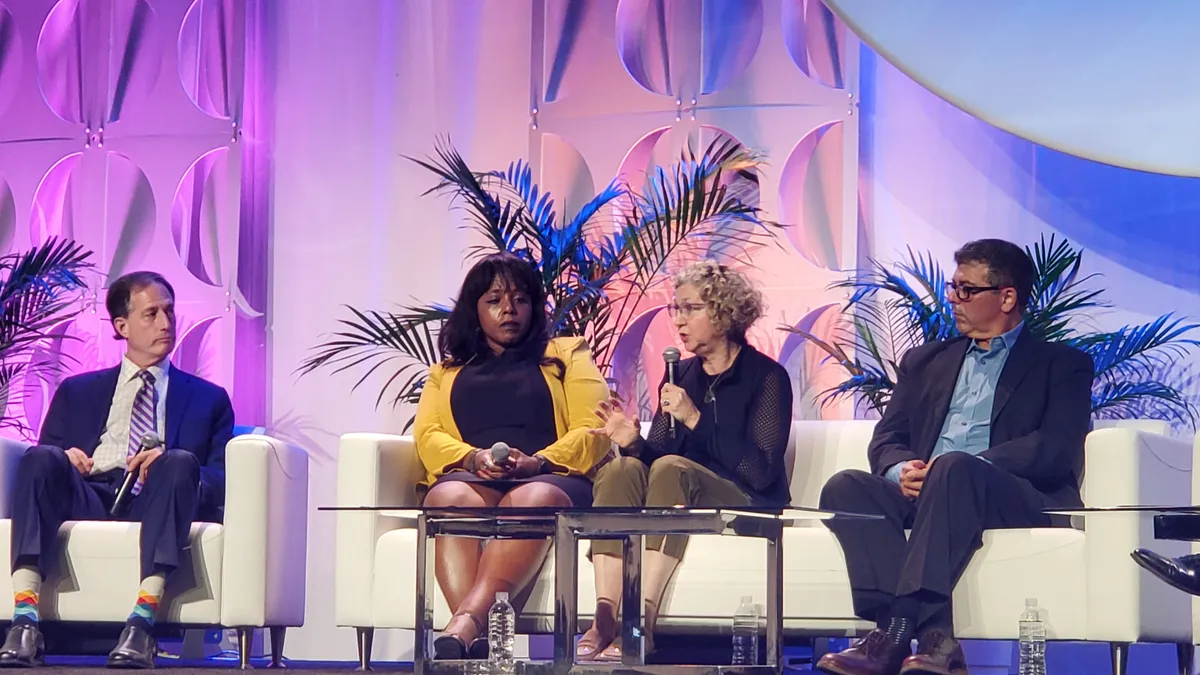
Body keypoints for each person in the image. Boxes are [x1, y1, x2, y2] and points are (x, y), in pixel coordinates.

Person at [814, 239, 1094, 675]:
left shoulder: (1062, 364)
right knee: (845, 486)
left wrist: (972, 467)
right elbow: (887, 437)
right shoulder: (926, 361)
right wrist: (900, 469)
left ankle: (892, 636)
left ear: (1006, 297)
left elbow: (1055, 447)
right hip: (931, 493)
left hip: (1011, 496)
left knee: (955, 466)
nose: (952, 299)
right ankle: (933, 640)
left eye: (966, 290)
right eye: (952, 286)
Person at [0, 272, 233, 669]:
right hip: (89, 493)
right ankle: (24, 621)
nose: (166, 323)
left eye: (169, 312)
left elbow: (221, 480)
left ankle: (141, 626)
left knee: (176, 460)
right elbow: (46, 456)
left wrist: (172, 461)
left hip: (158, 498)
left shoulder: (208, 399)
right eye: (151, 314)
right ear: (121, 326)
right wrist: (65, 455)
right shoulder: (78, 391)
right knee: (39, 459)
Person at [581, 260, 793, 662]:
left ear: (724, 313)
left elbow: (760, 471)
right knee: (620, 469)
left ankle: (641, 620)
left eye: (691, 309)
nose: (679, 320)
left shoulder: (767, 377)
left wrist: (694, 418)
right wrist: (632, 443)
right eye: (675, 309)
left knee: (672, 468)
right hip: (680, 491)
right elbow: (658, 458)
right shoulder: (679, 375)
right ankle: (605, 615)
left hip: (746, 500)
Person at [414, 253, 609, 660]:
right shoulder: (446, 371)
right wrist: (471, 459)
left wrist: (538, 462)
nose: (509, 310)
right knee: (447, 498)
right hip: (477, 477)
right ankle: (482, 644)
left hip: (553, 477)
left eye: (520, 299)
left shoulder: (567, 353)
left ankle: (467, 624)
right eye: (495, 300)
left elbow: (594, 427)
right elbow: (428, 436)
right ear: (475, 309)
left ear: (534, 307)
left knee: (528, 497)